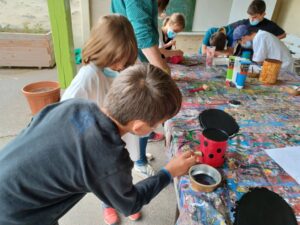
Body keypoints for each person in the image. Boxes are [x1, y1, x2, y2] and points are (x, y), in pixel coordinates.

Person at [0, 64, 197, 225]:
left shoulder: (75, 105)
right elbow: (131, 204)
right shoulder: (110, 159)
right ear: (139, 128)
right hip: (16, 215)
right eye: (159, 123)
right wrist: (168, 172)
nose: (158, 127)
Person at [60, 15, 142, 224]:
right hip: (100, 141)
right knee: (106, 177)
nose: (121, 64)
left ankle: (126, 200)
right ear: (101, 49)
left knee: (126, 169)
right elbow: (63, 113)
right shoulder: (88, 77)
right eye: (117, 59)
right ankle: (107, 203)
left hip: (124, 136)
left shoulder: (129, 65)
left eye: (126, 58)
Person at [111, 0, 169, 180]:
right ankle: (139, 161)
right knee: (143, 113)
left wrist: (163, 56)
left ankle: (138, 155)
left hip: (132, 61)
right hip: (134, 64)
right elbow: (142, 32)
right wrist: (162, 69)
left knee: (142, 118)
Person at [200, 0, 286, 56]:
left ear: (263, 14)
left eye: (255, 17)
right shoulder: (242, 23)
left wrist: (266, 39)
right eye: (250, 16)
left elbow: (283, 34)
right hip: (241, 55)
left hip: (256, 55)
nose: (251, 19)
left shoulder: (270, 25)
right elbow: (228, 29)